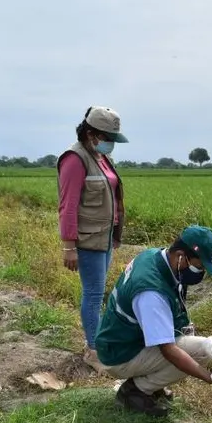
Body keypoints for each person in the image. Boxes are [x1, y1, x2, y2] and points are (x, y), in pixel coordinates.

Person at [96, 225, 212, 417]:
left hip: (120, 339)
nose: (200, 272)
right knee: (198, 354)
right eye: (199, 265)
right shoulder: (151, 293)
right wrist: (211, 378)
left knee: (192, 342)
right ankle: (135, 391)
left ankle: (148, 384)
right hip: (119, 354)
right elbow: (168, 350)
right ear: (180, 255)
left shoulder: (153, 256)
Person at [57, 106, 128, 374]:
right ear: (91, 133)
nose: (111, 143)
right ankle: (93, 350)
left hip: (105, 238)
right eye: (107, 137)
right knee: (94, 294)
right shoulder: (75, 159)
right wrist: (68, 246)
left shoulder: (100, 157)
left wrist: (115, 235)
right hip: (88, 240)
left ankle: (98, 342)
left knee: (99, 293)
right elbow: (68, 206)